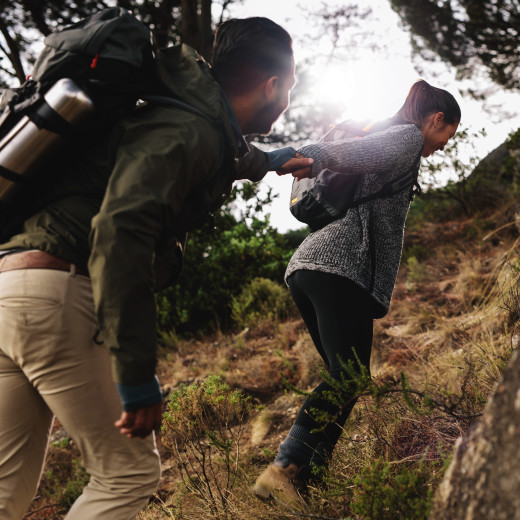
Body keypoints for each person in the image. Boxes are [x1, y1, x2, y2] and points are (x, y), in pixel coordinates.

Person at [0, 15, 311, 520]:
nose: (288, 100)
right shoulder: (188, 127)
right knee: (127, 475)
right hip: (60, 295)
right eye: (290, 87)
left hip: (12, 291)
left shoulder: (178, 109)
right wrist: (136, 372)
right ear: (273, 85)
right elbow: (121, 232)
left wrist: (270, 160)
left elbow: (207, 151)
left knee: (5, 487)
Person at [252, 79, 460, 511]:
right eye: (447, 135)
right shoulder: (406, 136)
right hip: (338, 267)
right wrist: (314, 155)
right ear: (436, 119)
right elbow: (364, 154)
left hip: (314, 268)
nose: (442, 146)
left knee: (345, 378)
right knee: (348, 377)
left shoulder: (392, 134)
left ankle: (304, 481)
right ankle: (284, 469)